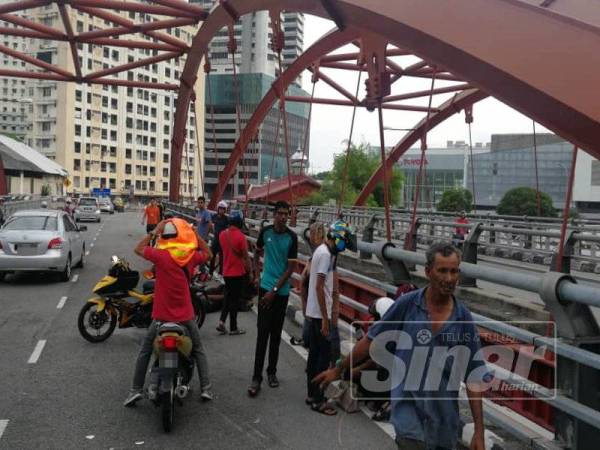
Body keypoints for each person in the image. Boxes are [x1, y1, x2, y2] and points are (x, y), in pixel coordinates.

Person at [314, 242, 488, 450]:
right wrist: (340, 369)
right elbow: (371, 341)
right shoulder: (407, 305)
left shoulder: (463, 319)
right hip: (409, 416)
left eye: (454, 271)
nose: (449, 278)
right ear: (428, 271)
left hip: (443, 421)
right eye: (442, 271)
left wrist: (479, 431)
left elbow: (474, 375)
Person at [124, 218, 214, 406]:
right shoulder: (189, 256)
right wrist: (195, 236)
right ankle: (206, 388)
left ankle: (135, 390)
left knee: (145, 350)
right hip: (185, 316)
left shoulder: (160, 255)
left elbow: (138, 249)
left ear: (164, 237)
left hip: (161, 316)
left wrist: (154, 231)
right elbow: (208, 253)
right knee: (198, 349)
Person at [248, 201, 298, 396]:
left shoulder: (291, 237)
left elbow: (291, 268)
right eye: (280, 213)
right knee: (262, 334)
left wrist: (275, 290)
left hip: (280, 292)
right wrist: (255, 272)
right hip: (265, 287)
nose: (283, 217)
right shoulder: (266, 232)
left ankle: (272, 372)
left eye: (286, 214)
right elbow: (257, 251)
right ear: (274, 214)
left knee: (276, 334)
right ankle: (256, 377)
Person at [305, 220, 354, 415]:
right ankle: (318, 400)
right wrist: (326, 319)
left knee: (314, 356)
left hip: (315, 313)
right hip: (319, 315)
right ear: (338, 238)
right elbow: (319, 287)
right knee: (322, 359)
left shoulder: (323, 251)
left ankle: (311, 394)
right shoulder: (325, 255)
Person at [216, 210, 251, 336]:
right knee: (234, 300)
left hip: (226, 271)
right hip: (237, 273)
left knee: (228, 297)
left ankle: (221, 322)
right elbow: (246, 257)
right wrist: (250, 272)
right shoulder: (241, 237)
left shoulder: (222, 234)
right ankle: (233, 327)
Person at [209, 200, 229, 276]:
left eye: (223, 209)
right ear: (218, 209)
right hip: (215, 239)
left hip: (223, 240)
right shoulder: (214, 216)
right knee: (212, 255)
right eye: (220, 208)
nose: (221, 210)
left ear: (225, 210)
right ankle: (210, 272)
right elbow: (210, 220)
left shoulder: (227, 219)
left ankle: (221, 272)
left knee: (222, 257)